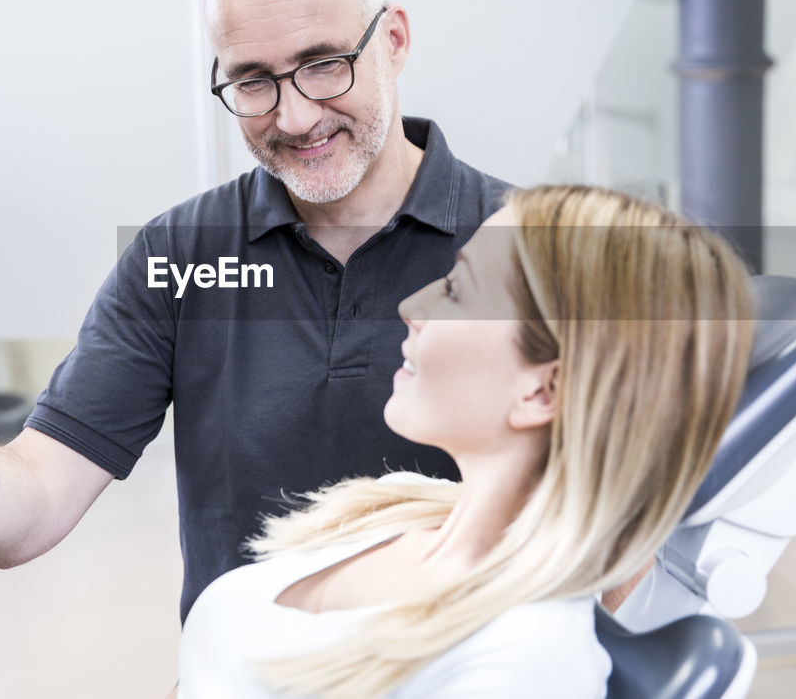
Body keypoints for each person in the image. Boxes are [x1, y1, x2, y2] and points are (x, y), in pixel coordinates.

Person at [0, 0, 510, 623]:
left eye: (323, 65)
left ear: (395, 40)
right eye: (253, 81)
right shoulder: (178, 257)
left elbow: (610, 538)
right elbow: (27, 507)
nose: (293, 116)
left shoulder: (528, 245)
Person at [177, 184, 755, 698]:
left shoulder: (526, 662)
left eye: (455, 291)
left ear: (543, 390)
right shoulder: (393, 504)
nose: (410, 308)